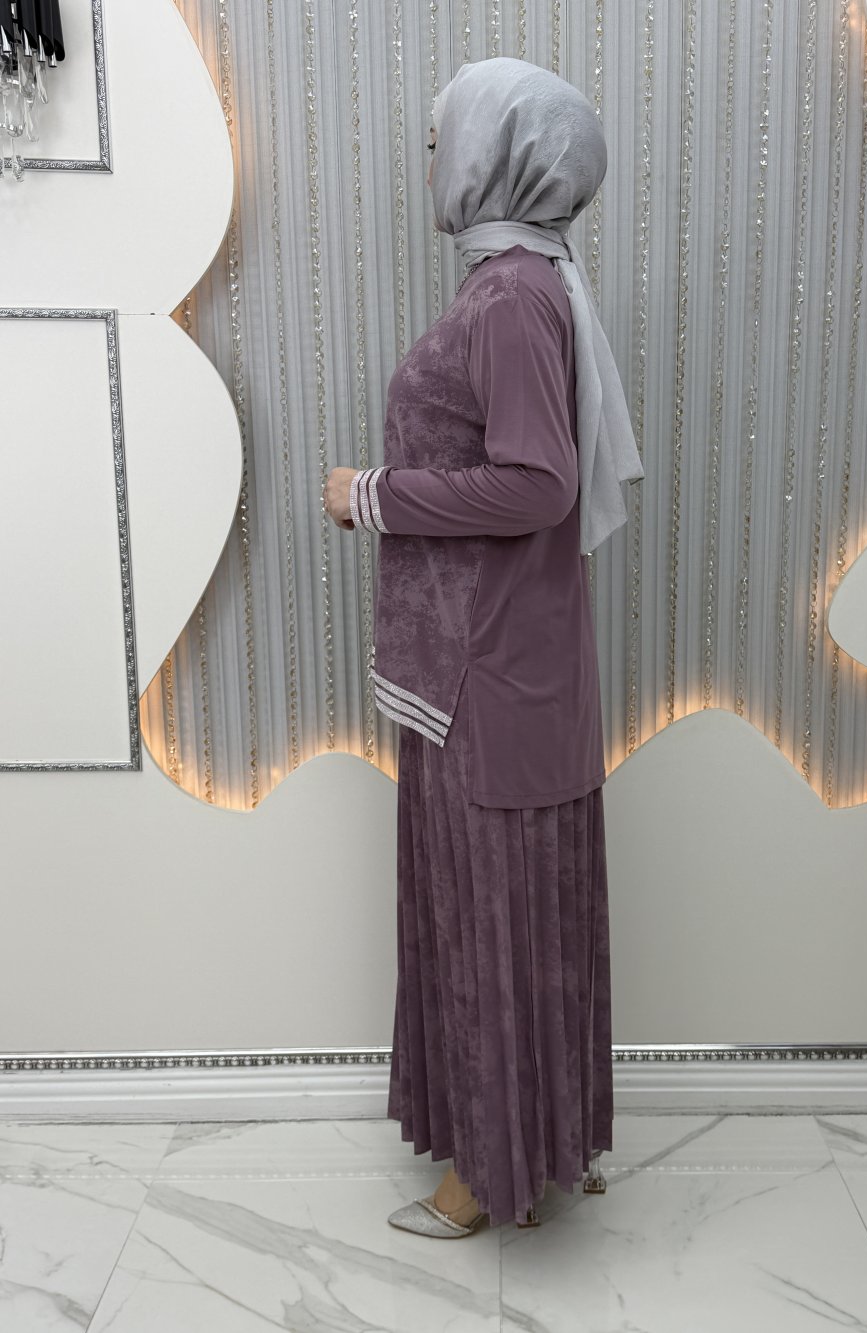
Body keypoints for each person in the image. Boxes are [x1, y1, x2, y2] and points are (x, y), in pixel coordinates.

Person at [323, 56, 643, 1235]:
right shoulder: (527, 280)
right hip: (503, 665)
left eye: (436, 140)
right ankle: (540, 1148)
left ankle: (482, 1180)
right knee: (516, 913)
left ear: (494, 152)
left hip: (487, 675)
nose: (427, 163)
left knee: (490, 917)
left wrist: (372, 493)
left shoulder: (509, 294)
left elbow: (536, 484)